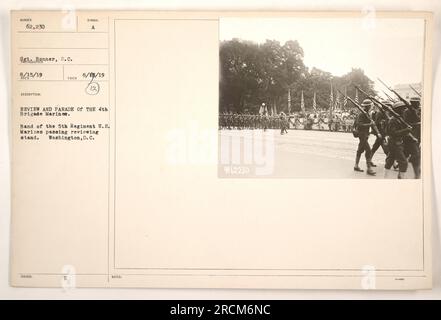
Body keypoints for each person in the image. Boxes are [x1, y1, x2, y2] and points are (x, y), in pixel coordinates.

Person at [384, 101, 411, 179]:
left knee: (390, 160)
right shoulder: (393, 120)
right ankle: (400, 179)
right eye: (403, 109)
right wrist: (406, 130)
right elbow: (393, 133)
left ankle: (385, 177)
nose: (404, 110)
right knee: (403, 162)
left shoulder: (399, 119)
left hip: (397, 142)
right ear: (398, 110)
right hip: (394, 143)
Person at [353, 99, 376, 176]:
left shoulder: (366, 113)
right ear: (368, 106)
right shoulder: (362, 114)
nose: (371, 107)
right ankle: (369, 169)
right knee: (368, 151)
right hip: (362, 134)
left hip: (365, 134)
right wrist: (370, 124)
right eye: (370, 105)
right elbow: (359, 125)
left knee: (360, 149)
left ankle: (356, 166)